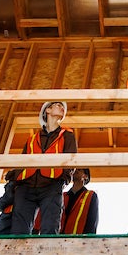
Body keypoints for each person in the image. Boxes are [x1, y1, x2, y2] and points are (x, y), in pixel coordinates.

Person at [10, 101, 76, 235]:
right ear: (48, 110)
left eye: (63, 107)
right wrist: (16, 179)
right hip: (26, 186)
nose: (62, 108)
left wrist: (63, 180)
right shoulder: (32, 139)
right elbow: (22, 160)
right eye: (58, 105)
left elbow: (71, 159)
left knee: (50, 228)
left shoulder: (67, 135)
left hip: (52, 185)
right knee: (19, 231)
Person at [61, 168, 99, 235]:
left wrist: (89, 239)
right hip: (60, 239)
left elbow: (92, 220)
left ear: (86, 176)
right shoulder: (63, 196)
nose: (76, 171)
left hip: (79, 240)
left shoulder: (90, 195)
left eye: (79, 169)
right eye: (75, 169)